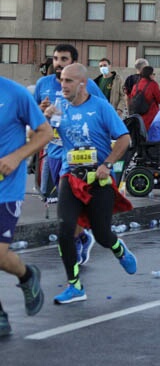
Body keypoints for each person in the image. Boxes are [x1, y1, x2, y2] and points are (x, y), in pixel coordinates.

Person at [50, 63, 136, 305]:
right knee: (64, 231)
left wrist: (107, 164)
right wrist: (44, 118)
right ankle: (75, 286)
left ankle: (118, 248)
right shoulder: (60, 108)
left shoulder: (100, 107)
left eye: (68, 81)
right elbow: (46, 133)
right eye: (62, 80)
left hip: (99, 178)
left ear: (82, 84)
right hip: (71, 177)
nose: (63, 85)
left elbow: (124, 138)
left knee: (102, 234)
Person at [33, 44, 106, 264]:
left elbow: (101, 108)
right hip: (53, 150)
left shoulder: (88, 84)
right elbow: (32, 111)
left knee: (70, 203)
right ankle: (82, 236)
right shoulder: (43, 84)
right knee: (50, 195)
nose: (58, 63)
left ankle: (75, 243)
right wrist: (40, 107)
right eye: (55, 58)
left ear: (74, 62)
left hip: (77, 154)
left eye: (64, 59)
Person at [0, 76, 53, 337]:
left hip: (5, 188)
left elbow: (45, 132)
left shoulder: (14, 94)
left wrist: (17, 156)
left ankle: (27, 275)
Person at [129, 65, 160, 131]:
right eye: (153, 74)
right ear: (149, 75)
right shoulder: (153, 85)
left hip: (138, 117)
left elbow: (131, 98)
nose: (154, 76)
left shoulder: (136, 85)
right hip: (151, 117)